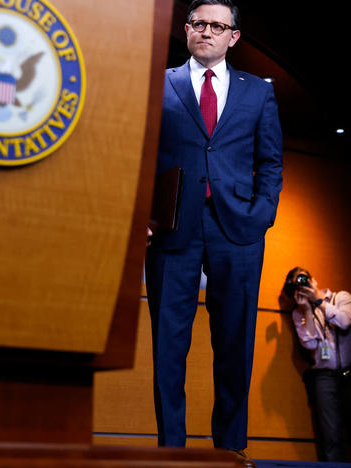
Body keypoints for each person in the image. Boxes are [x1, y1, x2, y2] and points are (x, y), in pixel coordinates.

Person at [144, 0, 283, 464]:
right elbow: (140, 153)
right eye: (199, 23)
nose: (207, 31)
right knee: (168, 346)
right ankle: (171, 452)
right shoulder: (157, 83)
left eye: (217, 26)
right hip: (172, 230)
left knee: (235, 341)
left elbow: (270, 162)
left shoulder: (258, 92)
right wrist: (146, 215)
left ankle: (230, 449)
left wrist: (262, 214)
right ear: (186, 30)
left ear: (233, 37)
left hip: (238, 231)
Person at [279, 267, 351, 462]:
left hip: (349, 372)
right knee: (330, 437)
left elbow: (344, 322)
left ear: (314, 280)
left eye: (305, 279)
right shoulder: (299, 313)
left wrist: (319, 300)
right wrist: (308, 310)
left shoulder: (341, 298)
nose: (303, 285)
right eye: (298, 283)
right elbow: (310, 344)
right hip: (323, 377)